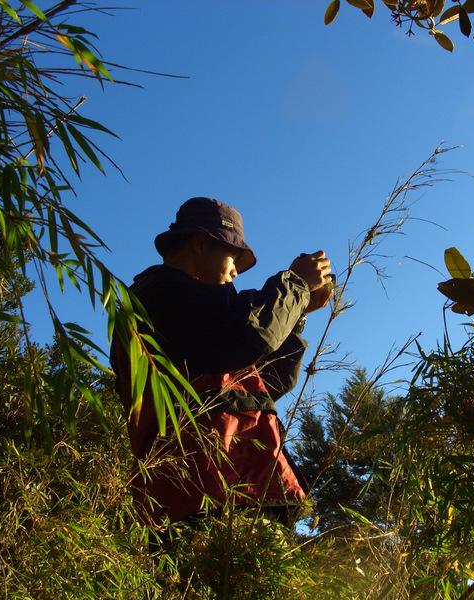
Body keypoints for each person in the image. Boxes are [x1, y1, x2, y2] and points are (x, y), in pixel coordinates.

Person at [110, 197, 333, 527]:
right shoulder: (160, 295)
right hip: (205, 492)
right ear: (201, 243)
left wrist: (296, 313)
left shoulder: (203, 315)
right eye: (233, 258)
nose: (235, 272)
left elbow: (267, 382)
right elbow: (252, 337)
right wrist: (295, 285)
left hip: (233, 488)